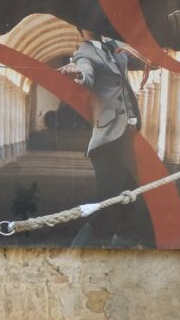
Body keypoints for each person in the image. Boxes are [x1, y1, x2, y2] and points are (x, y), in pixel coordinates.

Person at [61, 32, 151, 247]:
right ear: (82, 28)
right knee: (109, 205)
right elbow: (86, 74)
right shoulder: (85, 51)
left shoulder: (117, 45)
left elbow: (141, 60)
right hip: (108, 140)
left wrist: (156, 56)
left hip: (125, 137)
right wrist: (77, 73)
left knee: (131, 200)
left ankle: (121, 248)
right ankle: (77, 249)